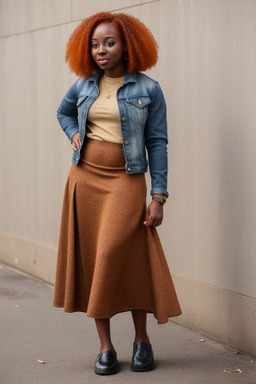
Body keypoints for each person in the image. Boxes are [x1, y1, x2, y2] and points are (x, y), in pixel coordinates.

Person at [53, 11, 181, 375]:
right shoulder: (83, 85)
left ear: (128, 46)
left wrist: (158, 196)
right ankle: (106, 347)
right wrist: (74, 134)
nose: (101, 50)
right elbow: (63, 113)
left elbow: (157, 142)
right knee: (96, 260)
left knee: (119, 254)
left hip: (126, 181)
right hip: (84, 181)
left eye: (109, 43)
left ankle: (142, 339)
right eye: (94, 44)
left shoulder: (148, 89)